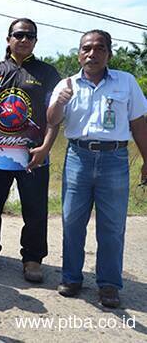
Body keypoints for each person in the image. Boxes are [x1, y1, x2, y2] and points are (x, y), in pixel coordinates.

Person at [47, 29, 147, 308]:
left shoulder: (126, 82)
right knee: (72, 221)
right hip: (78, 157)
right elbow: (52, 120)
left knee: (112, 226)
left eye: (99, 48)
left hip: (114, 160)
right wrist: (59, 101)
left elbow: (139, 123)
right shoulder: (67, 84)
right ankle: (71, 277)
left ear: (108, 53)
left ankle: (109, 285)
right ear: (79, 53)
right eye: (86, 48)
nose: (92, 53)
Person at [0, 18, 61, 283]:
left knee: (35, 209)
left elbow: (56, 116)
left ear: (35, 41)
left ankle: (32, 259)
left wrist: (46, 148)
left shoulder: (48, 73)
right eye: (18, 35)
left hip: (33, 155)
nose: (24, 40)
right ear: (8, 39)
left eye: (30, 36)